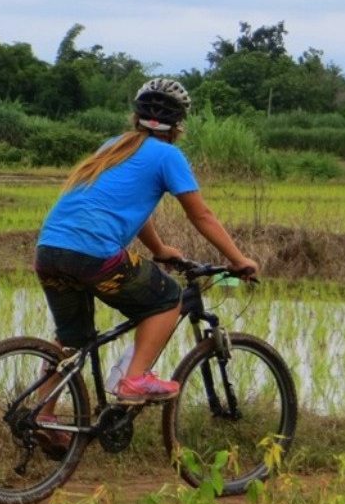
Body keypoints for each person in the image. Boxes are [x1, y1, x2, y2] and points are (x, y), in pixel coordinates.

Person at [35, 78, 258, 416]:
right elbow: (201, 214)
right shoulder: (168, 155)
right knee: (169, 297)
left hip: (49, 251)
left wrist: (159, 247)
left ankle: (42, 416)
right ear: (179, 124)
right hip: (94, 255)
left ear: (135, 116)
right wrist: (239, 259)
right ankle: (133, 379)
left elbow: (131, 208)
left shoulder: (113, 146)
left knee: (70, 341)